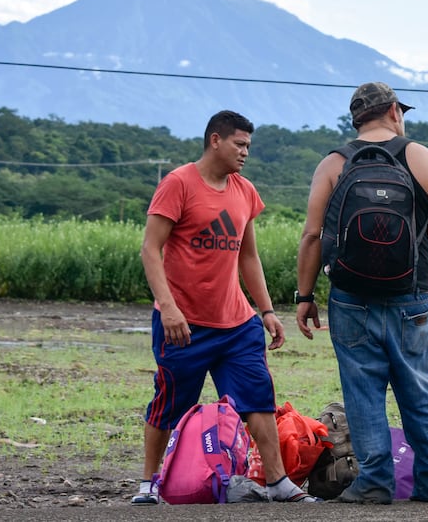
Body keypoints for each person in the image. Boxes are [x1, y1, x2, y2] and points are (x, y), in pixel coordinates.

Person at [133, 110, 319, 505]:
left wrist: (267, 311)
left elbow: (248, 256)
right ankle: (149, 483)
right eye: (239, 144)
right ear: (215, 140)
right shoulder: (178, 183)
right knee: (170, 403)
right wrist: (168, 308)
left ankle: (277, 482)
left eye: (249, 146)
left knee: (258, 398)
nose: (245, 152)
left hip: (237, 324)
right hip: (183, 324)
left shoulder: (244, 190)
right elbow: (150, 249)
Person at [295, 82, 428, 504]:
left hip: (350, 297)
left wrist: (304, 295)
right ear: (394, 111)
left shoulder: (333, 164)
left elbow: (312, 235)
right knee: (419, 388)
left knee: (363, 390)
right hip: (412, 296)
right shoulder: (425, 159)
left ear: (356, 119)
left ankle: (374, 482)